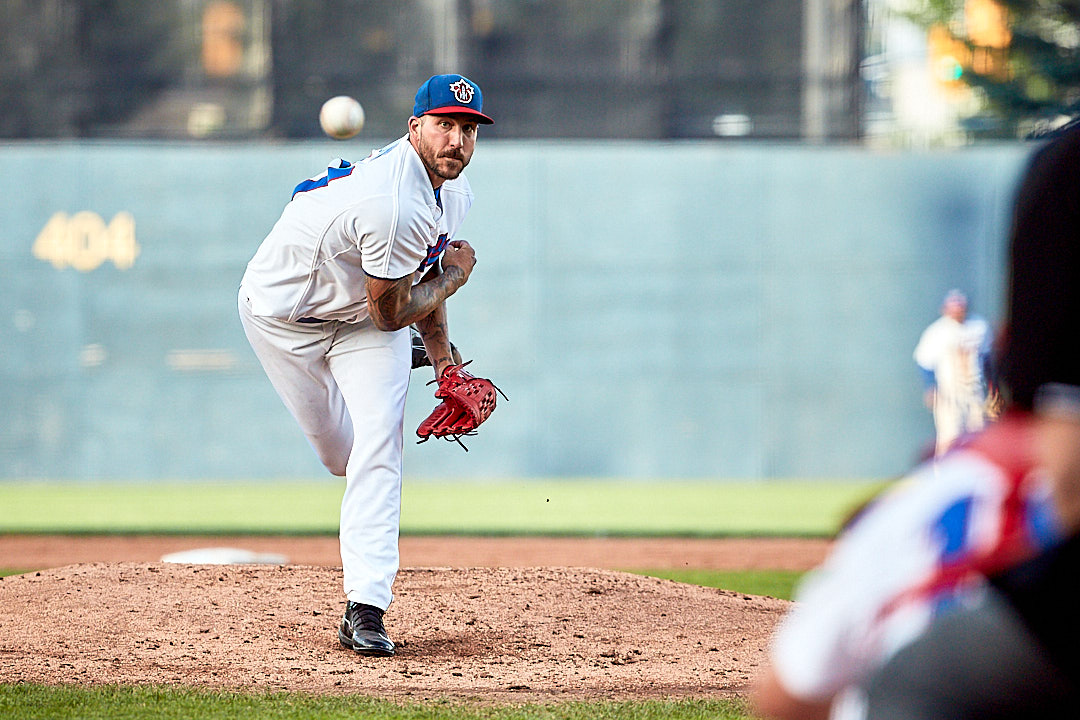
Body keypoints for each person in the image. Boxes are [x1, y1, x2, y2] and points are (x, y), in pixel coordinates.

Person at [237, 74, 494, 657]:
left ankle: (366, 607)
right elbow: (396, 310)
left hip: (364, 323)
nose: (457, 140)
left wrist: (445, 364)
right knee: (341, 458)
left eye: (468, 128)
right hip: (285, 318)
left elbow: (422, 278)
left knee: (379, 444)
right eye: (445, 124)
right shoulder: (393, 201)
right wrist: (458, 276)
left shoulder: (454, 193)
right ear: (415, 127)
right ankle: (378, 401)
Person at [852, 119, 1080, 719]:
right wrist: (933, 393)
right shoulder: (943, 332)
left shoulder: (943, 676)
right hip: (965, 403)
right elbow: (928, 363)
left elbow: (787, 693)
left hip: (997, 412)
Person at [913, 288, 994, 456]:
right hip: (948, 392)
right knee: (950, 436)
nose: (957, 311)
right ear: (945, 309)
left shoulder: (979, 326)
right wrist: (930, 387)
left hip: (975, 390)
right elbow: (924, 361)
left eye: (960, 307)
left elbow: (987, 358)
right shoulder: (937, 331)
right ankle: (944, 470)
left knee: (978, 435)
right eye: (953, 308)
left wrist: (993, 387)